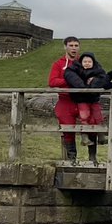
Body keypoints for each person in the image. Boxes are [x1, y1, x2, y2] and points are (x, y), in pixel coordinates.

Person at [64, 51, 109, 165]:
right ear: (81, 62)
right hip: (81, 99)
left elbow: (104, 79)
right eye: (85, 61)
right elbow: (73, 78)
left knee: (98, 117)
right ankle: (84, 135)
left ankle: (101, 135)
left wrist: (93, 82)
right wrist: (86, 86)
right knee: (84, 116)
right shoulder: (75, 70)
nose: (87, 63)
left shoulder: (98, 71)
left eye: (90, 61)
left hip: (93, 99)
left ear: (93, 63)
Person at [47, 35, 81, 163]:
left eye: (76, 46)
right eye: (71, 45)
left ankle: (92, 158)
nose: (73, 48)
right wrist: (70, 80)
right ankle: (71, 159)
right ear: (65, 47)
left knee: (92, 126)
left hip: (83, 100)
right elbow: (52, 81)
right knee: (67, 130)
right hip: (65, 100)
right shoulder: (58, 64)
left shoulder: (85, 62)